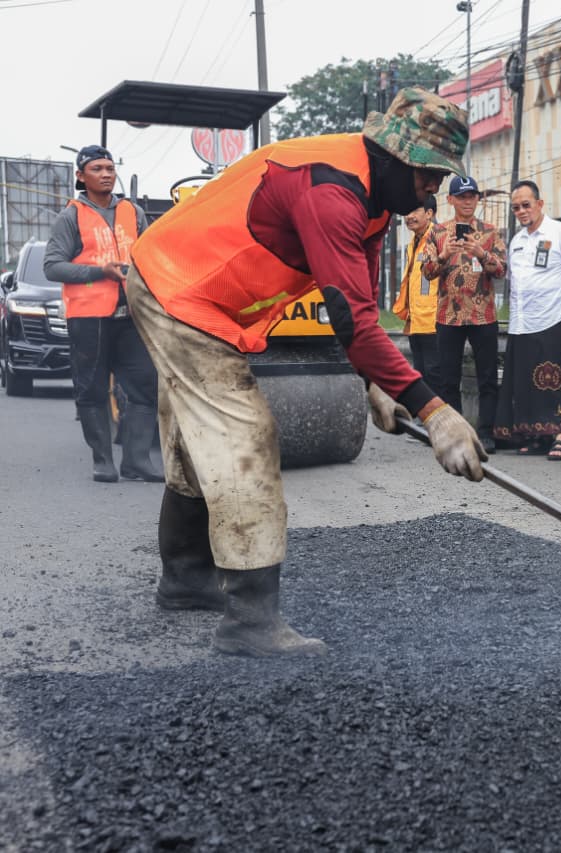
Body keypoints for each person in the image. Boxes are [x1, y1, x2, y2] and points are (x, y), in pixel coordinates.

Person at [125, 87, 487, 657]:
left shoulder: (372, 197)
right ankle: (250, 622)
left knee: (195, 438)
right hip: (178, 286)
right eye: (428, 175)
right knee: (242, 436)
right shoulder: (331, 190)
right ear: (395, 157)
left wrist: (376, 381)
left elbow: (357, 301)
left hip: (196, 290)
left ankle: (186, 576)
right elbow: (355, 323)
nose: (433, 190)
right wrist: (435, 412)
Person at [44, 145, 164, 484]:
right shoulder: (71, 217)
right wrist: (101, 271)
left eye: (110, 168)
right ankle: (103, 461)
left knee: (145, 386)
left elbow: (148, 254)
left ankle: (137, 461)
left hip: (131, 315)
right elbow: (53, 267)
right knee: (92, 390)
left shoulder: (133, 212)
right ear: (81, 176)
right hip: (89, 318)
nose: (106, 174)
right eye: (97, 169)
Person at [494, 180, 561, 460]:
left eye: (526, 205)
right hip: (521, 322)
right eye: (516, 208)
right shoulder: (517, 241)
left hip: (552, 318)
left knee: (553, 378)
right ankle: (536, 435)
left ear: (540, 204)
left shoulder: (560, 232)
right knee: (525, 381)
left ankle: (560, 436)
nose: (522, 211)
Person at [420, 175, 507, 454]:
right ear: (450, 200)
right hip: (449, 316)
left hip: (483, 315)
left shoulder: (491, 232)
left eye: (472, 196)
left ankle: (486, 433)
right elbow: (426, 273)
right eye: (461, 197)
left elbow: (502, 271)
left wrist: (482, 253)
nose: (467, 202)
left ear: (478, 199)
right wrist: (444, 255)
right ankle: (456, 433)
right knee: (448, 380)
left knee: (488, 378)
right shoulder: (437, 232)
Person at [391, 197, 441, 390]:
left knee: (434, 373)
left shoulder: (439, 238)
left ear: (429, 213)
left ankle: (439, 409)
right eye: (406, 212)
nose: (409, 217)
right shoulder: (414, 242)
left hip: (433, 321)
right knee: (421, 372)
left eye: (414, 211)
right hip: (416, 320)